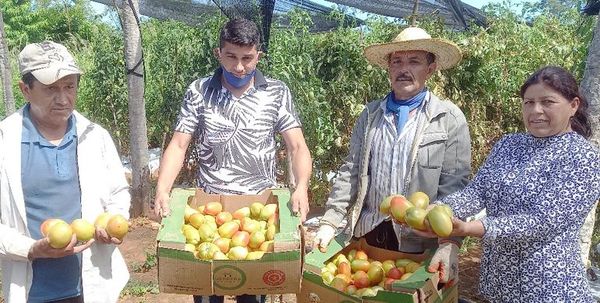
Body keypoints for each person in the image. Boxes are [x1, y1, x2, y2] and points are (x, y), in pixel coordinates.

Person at [153, 17, 312, 303]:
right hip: (209, 212)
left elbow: (297, 145)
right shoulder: (199, 91)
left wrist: (301, 186)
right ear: (218, 53)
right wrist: (163, 189)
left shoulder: (276, 92)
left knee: (253, 295)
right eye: (231, 57)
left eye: (247, 59)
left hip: (259, 213)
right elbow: (178, 144)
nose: (239, 67)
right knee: (207, 292)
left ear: (258, 56)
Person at [418, 66, 600, 302]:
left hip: (548, 287)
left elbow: (542, 221)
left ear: (573, 105)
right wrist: (440, 208)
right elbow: (477, 192)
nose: (536, 111)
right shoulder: (509, 144)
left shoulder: (582, 157)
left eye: (548, 102)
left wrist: (473, 228)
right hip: (499, 284)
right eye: (528, 102)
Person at [313, 26, 471, 283]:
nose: (403, 69)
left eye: (414, 61)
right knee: (364, 292)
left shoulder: (448, 118)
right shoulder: (371, 115)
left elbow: (456, 185)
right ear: (388, 68)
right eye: (396, 61)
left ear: (430, 69)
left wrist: (449, 242)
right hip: (369, 232)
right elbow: (351, 170)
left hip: (419, 241)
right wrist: (330, 222)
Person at [0, 41, 131, 302]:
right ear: (25, 89)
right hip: (33, 290)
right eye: (51, 89)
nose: (63, 99)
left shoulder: (95, 136)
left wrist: (114, 219)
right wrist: (31, 248)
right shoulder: (5, 141)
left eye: (69, 87)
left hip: (91, 285)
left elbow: (118, 191)